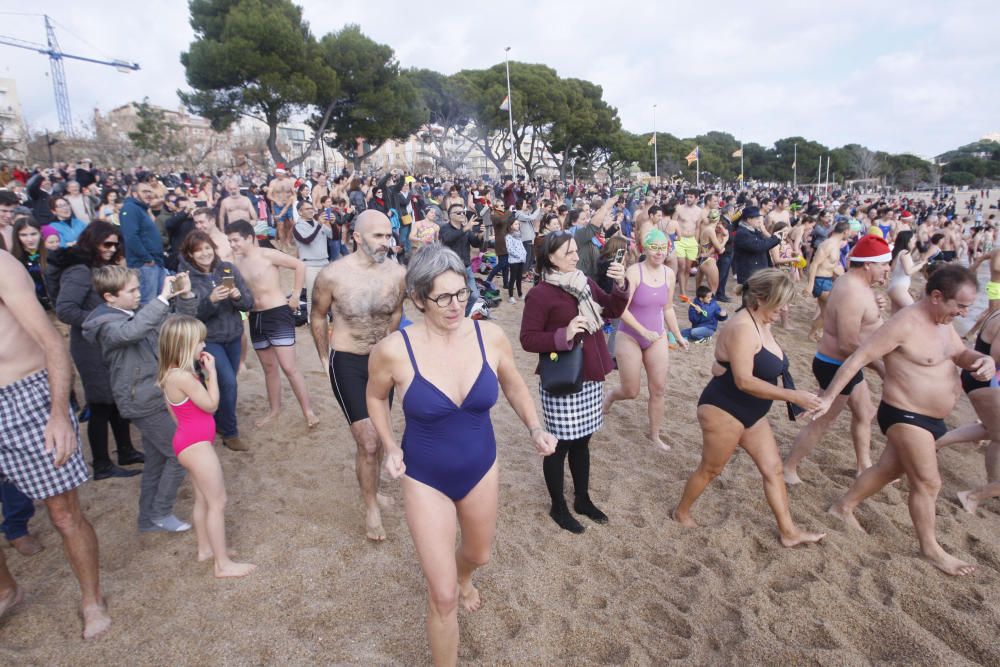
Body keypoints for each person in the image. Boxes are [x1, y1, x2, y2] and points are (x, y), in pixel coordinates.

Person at [366, 244, 556, 666]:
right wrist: (390, 445)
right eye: (443, 298)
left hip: (480, 467)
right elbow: (375, 399)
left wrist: (535, 426)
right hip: (424, 475)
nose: (456, 305)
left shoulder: (489, 336)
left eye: (461, 293)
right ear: (418, 299)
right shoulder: (395, 350)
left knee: (477, 554)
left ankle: (465, 576)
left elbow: (514, 385)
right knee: (443, 595)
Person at [820, 265, 994, 576]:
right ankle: (931, 549)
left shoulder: (943, 322)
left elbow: (959, 354)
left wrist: (983, 360)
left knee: (887, 469)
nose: (965, 313)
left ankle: (841, 507)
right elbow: (856, 358)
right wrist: (828, 398)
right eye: (961, 306)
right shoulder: (905, 324)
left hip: (929, 417)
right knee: (928, 482)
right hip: (905, 414)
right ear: (937, 297)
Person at [0, 251, 110, 638]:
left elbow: (51, 341)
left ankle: (92, 600)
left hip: (24, 395)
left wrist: (59, 413)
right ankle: (5, 590)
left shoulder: (2, 265)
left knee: (63, 513)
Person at [673, 269, 826, 547]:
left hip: (752, 413)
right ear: (760, 298)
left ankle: (789, 533)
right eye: (780, 302)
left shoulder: (762, 322)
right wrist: (792, 396)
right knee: (711, 470)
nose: (785, 309)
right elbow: (743, 380)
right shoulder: (743, 327)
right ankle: (681, 513)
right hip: (724, 409)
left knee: (773, 469)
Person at [520, 231, 630, 533]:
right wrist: (563, 335)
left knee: (583, 441)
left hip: (591, 374)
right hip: (563, 378)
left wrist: (620, 284)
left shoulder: (582, 281)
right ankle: (558, 506)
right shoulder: (540, 294)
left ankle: (582, 498)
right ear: (550, 257)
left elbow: (612, 309)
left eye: (574, 251)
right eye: (568, 252)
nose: (576, 256)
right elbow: (527, 339)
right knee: (559, 445)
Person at [310, 210, 406, 541]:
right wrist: (325, 358)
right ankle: (371, 508)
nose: (386, 242)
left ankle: (374, 489)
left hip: (381, 362)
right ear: (356, 236)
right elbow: (318, 316)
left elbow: (396, 312)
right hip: (348, 360)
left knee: (378, 435)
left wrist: (391, 351)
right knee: (367, 441)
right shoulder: (332, 275)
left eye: (388, 235)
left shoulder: (397, 273)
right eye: (378, 236)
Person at [83, 266, 198, 533]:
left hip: (156, 395)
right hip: (142, 401)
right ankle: (161, 512)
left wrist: (186, 296)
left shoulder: (139, 314)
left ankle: (147, 519)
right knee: (179, 454)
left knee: (157, 461)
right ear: (110, 297)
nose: (138, 295)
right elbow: (130, 333)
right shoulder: (105, 326)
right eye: (131, 290)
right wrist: (160, 299)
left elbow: (179, 326)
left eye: (138, 288)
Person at [783, 235, 892, 485]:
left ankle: (863, 465)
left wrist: (875, 306)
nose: (887, 268)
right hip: (837, 365)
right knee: (822, 421)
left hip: (847, 363)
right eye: (884, 264)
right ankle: (788, 467)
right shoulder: (852, 291)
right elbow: (847, 343)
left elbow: (861, 319)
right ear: (868, 265)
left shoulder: (856, 286)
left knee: (864, 413)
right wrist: (880, 366)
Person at [157, 315, 257, 578]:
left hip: (187, 442)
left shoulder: (170, 374)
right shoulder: (184, 377)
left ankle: (206, 549)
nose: (203, 344)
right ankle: (222, 564)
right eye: (199, 340)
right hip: (197, 446)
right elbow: (211, 405)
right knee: (218, 501)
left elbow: (175, 414)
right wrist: (212, 374)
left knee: (202, 498)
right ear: (184, 343)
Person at [53, 222, 145, 479]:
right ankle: (102, 463)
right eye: (107, 244)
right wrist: (102, 320)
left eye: (116, 244)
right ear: (92, 241)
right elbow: (65, 309)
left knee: (116, 399)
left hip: (107, 344)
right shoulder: (80, 272)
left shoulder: (100, 268)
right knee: (101, 404)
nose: (112, 248)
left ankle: (125, 450)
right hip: (90, 347)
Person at [602, 228, 687, 451]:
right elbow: (622, 309)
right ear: (645, 249)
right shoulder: (634, 272)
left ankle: (655, 434)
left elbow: (667, 308)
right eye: (654, 247)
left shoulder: (669, 274)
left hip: (657, 337)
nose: (659, 252)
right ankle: (611, 396)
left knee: (658, 388)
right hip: (630, 335)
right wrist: (642, 330)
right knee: (631, 391)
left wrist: (677, 335)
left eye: (663, 248)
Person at [226, 220, 316, 428]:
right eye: (229, 241)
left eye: (236, 240)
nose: (233, 244)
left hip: (277, 313)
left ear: (249, 237)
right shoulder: (236, 262)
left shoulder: (267, 254)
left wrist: (295, 295)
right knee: (269, 368)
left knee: (289, 367)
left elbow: (299, 265)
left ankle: (308, 411)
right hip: (255, 317)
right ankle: (274, 410)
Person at [178, 231, 254, 451]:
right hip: (208, 340)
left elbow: (248, 304)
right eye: (199, 250)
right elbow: (186, 315)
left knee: (223, 383)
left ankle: (219, 421)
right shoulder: (186, 278)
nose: (204, 253)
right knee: (228, 383)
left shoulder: (228, 269)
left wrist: (238, 297)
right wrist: (210, 301)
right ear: (190, 254)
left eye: (207, 248)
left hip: (233, 337)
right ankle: (230, 432)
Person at [935, 308, 1000, 514]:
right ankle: (974, 496)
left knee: (991, 430)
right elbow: (995, 357)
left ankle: (936, 442)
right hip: (986, 379)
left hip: (983, 377)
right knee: (998, 434)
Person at [120, 180, 167, 305]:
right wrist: (147, 258)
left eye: (151, 192)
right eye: (145, 191)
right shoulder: (130, 208)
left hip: (154, 263)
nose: (149, 195)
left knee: (158, 302)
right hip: (144, 265)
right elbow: (130, 236)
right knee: (148, 303)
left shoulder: (142, 210)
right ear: (135, 194)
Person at [804, 221, 849, 340]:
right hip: (820, 280)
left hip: (827, 279)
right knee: (833, 310)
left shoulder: (836, 244)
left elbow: (830, 265)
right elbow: (814, 264)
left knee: (826, 312)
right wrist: (810, 285)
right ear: (845, 232)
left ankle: (814, 333)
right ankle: (814, 333)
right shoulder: (828, 244)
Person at [439, 204, 484, 316]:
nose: (462, 214)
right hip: (451, 269)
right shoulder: (445, 228)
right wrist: (465, 228)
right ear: (450, 216)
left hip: (466, 267)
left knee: (474, 296)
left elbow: (475, 243)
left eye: (463, 212)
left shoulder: (466, 228)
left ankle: (462, 316)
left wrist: (480, 235)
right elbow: (448, 239)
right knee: (452, 296)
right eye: (458, 213)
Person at [292, 200, 332, 314]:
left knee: (325, 294)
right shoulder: (297, 227)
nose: (311, 211)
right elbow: (306, 240)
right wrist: (319, 225)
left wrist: (332, 224)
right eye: (307, 209)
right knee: (311, 296)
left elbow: (333, 236)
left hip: (324, 263)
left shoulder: (317, 223)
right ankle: (311, 321)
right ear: (300, 212)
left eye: (312, 208)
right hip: (309, 265)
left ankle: (325, 318)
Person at [731, 206, 781, 289]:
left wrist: (769, 234)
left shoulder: (753, 230)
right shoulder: (742, 233)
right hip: (750, 274)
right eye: (757, 218)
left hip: (757, 273)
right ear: (748, 219)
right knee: (751, 298)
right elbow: (759, 246)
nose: (759, 220)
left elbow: (764, 243)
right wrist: (775, 238)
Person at [10, 216, 51, 309]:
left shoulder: (52, 254)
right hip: (34, 307)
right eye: (23, 235)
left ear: (40, 233)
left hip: (56, 305)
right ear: (17, 236)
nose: (30, 239)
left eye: (33, 234)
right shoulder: (14, 260)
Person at [886, 230, 927, 313]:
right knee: (914, 312)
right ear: (908, 240)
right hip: (899, 288)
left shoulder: (899, 252)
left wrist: (917, 263)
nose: (915, 240)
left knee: (895, 319)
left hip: (895, 287)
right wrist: (922, 264)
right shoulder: (905, 253)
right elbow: (908, 271)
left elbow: (903, 268)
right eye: (913, 238)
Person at [672, 189, 703, 297]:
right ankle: (682, 292)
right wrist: (674, 236)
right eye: (687, 196)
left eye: (691, 197)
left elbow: (698, 227)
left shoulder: (699, 211)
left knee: (688, 268)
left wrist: (697, 241)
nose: (688, 199)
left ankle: (683, 289)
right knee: (682, 265)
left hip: (692, 240)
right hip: (680, 239)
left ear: (696, 198)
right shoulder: (679, 209)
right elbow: (673, 223)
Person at [267, 166, 295, 246]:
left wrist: (292, 203)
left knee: (292, 224)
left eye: (280, 173)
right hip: (278, 206)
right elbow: (269, 195)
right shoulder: (273, 182)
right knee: (280, 225)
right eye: (277, 173)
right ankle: (283, 244)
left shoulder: (289, 181)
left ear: (283, 173)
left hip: (289, 205)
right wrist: (276, 201)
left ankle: (288, 240)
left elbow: (294, 194)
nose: (278, 174)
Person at [504, 218, 527, 303]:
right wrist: (519, 256)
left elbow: (521, 246)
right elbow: (510, 249)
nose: (518, 225)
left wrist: (524, 253)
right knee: (513, 278)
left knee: (519, 278)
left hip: (521, 260)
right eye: (515, 224)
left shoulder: (519, 235)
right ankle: (510, 296)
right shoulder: (508, 236)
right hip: (514, 261)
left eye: (518, 224)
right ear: (511, 226)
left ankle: (520, 294)